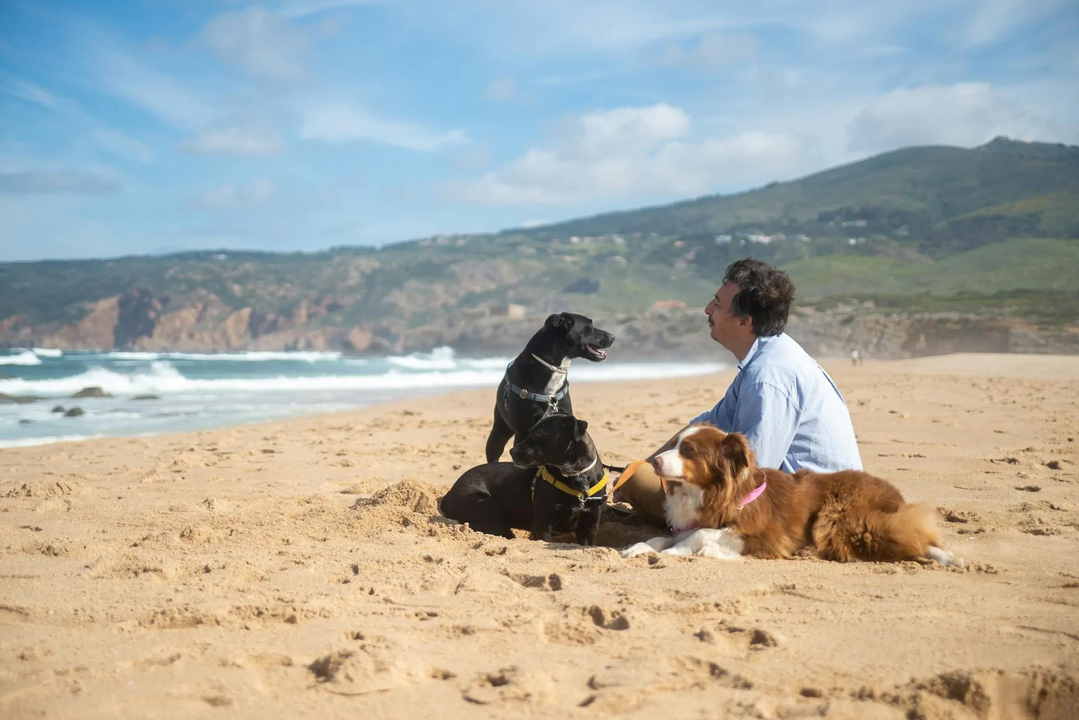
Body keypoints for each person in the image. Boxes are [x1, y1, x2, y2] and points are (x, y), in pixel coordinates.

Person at [615, 258, 863, 526]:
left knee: (642, 482)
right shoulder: (767, 356)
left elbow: (751, 477)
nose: (708, 309)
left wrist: (645, 479)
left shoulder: (768, 377)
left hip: (814, 514)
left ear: (745, 322)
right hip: (802, 497)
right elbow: (704, 426)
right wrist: (650, 462)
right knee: (642, 473)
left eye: (718, 305)